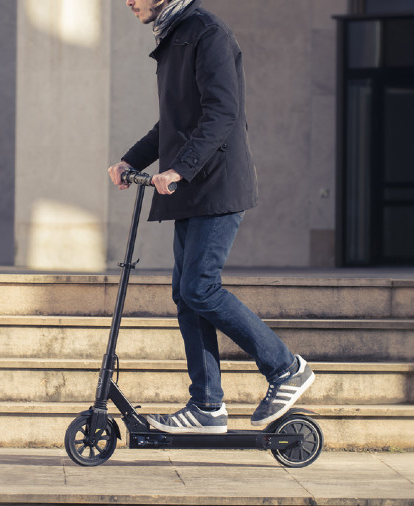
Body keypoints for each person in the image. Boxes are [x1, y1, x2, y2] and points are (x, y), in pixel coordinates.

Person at [108, 0, 315, 434]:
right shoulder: (174, 36)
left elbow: (223, 113)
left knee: (200, 287)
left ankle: (285, 368)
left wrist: (179, 168)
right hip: (191, 191)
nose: (127, 0)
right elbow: (174, 123)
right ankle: (206, 406)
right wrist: (131, 161)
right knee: (187, 296)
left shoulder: (207, 32)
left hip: (217, 185)